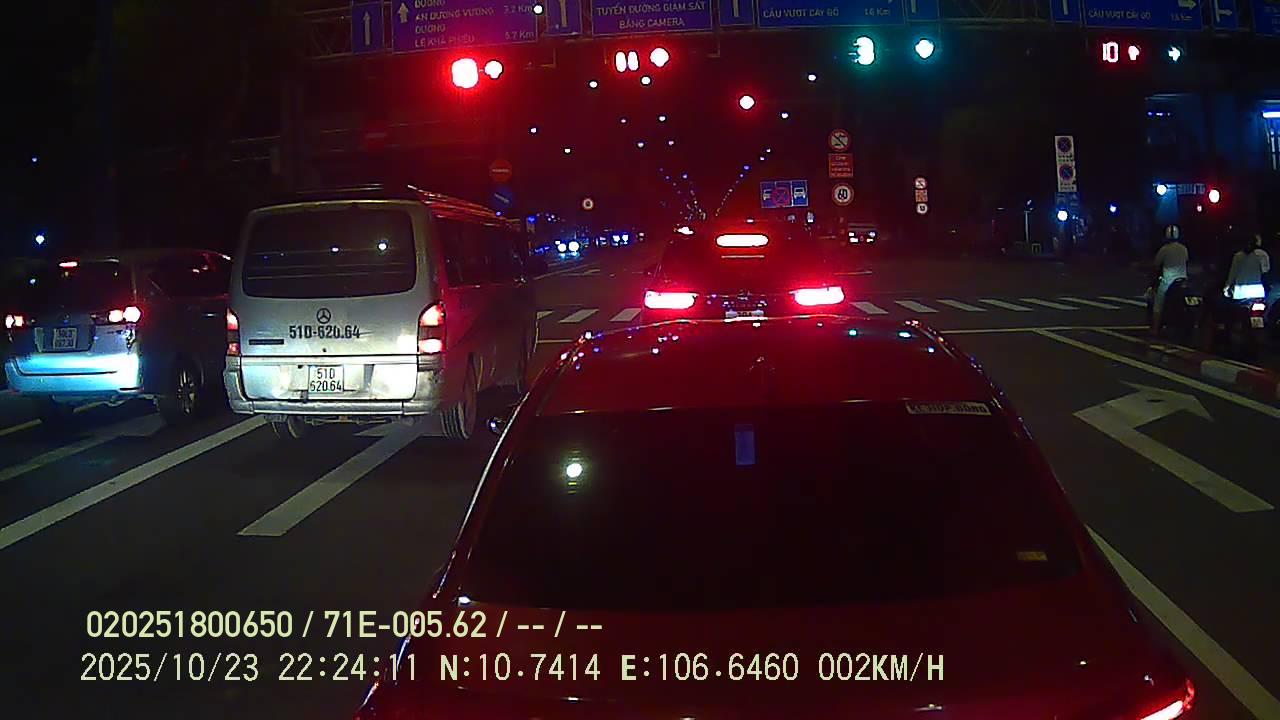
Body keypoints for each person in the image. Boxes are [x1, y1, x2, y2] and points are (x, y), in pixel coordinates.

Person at [1151, 224, 1189, 334]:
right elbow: (1186, 261)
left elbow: (1156, 264)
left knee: (1158, 304)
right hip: (1182, 280)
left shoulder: (1164, 249)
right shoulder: (1184, 248)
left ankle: (1155, 329)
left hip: (1168, 281)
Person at [1222, 232, 1266, 301]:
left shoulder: (1238, 256)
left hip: (1240, 292)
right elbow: (1266, 271)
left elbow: (1233, 273)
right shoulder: (1261, 255)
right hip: (1257, 292)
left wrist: (1226, 287)